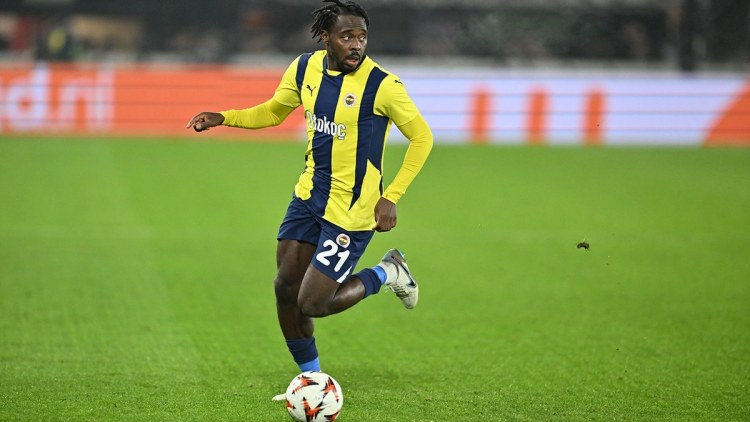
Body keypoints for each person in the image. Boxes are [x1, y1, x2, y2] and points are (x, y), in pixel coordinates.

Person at [186, 0, 433, 394]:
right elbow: (273, 112)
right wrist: (225, 117)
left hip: (350, 211)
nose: (356, 44)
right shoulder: (305, 69)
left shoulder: (382, 85)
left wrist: (392, 196)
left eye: (362, 37)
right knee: (285, 289)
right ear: (325, 38)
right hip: (308, 196)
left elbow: (422, 138)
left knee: (314, 303)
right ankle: (311, 379)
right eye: (347, 36)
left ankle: (387, 272)